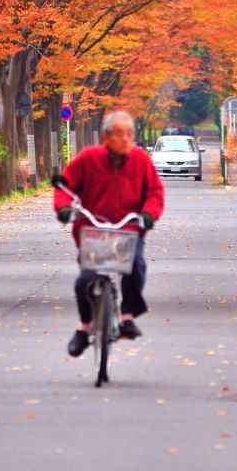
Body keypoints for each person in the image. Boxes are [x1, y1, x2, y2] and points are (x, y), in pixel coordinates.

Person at [53, 109, 164, 357]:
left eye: (129, 134)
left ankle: (127, 316)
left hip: (128, 229)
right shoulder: (88, 158)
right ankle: (84, 328)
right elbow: (65, 187)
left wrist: (148, 214)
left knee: (136, 266)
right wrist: (63, 208)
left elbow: (155, 192)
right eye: (119, 134)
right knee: (85, 280)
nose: (125, 139)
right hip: (93, 231)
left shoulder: (140, 160)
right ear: (106, 136)